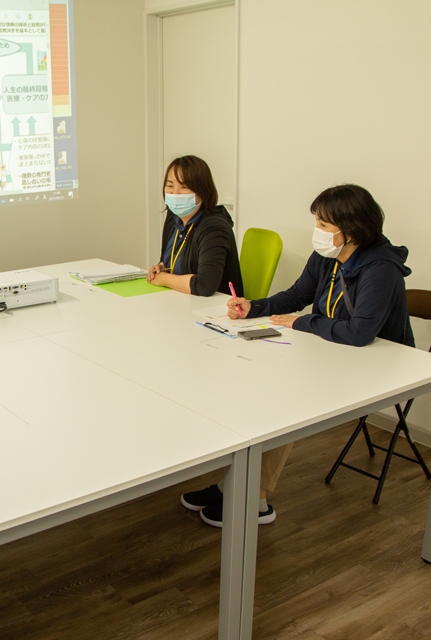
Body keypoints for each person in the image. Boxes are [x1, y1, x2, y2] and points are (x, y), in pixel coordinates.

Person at [182, 183, 414, 527]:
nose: (316, 232)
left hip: (375, 365)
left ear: (350, 231)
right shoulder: (329, 256)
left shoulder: (380, 268)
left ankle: (255, 500)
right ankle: (230, 485)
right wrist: (252, 308)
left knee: (280, 399)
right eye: (317, 222)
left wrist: (305, 322)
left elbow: (360, 331)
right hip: (330, 351)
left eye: (324, 225)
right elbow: (295, 296)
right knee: (257, 384)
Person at [146, 155, 243, 297]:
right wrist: (161, 267)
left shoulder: (215, 228)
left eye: (184, 186)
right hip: (178, 300)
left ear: (203, 191)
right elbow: (172, 260)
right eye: (170, 185)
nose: (175, 193)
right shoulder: (173, 218)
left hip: (213, 310)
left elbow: (205, 285)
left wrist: (164, 279)